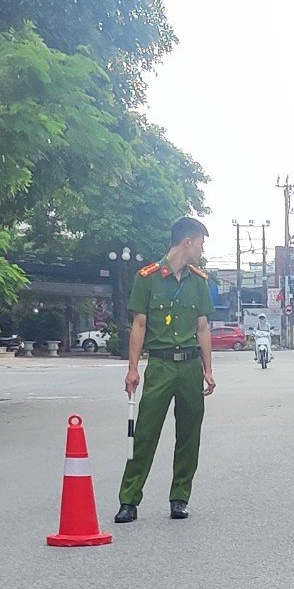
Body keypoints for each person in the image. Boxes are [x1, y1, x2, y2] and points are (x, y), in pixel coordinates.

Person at [116, 215, 217, 523]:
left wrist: (208, 369)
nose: (201, 250)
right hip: (160, 365)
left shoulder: (199, 282)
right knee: (145, 433)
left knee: (189, 435)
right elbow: (140, 324)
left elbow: (202, 328)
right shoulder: (147, 278)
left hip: (189, 367)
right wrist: (133, 369)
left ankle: (179, 498)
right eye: (200, 243)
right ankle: (129, 500)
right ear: (187, 242)